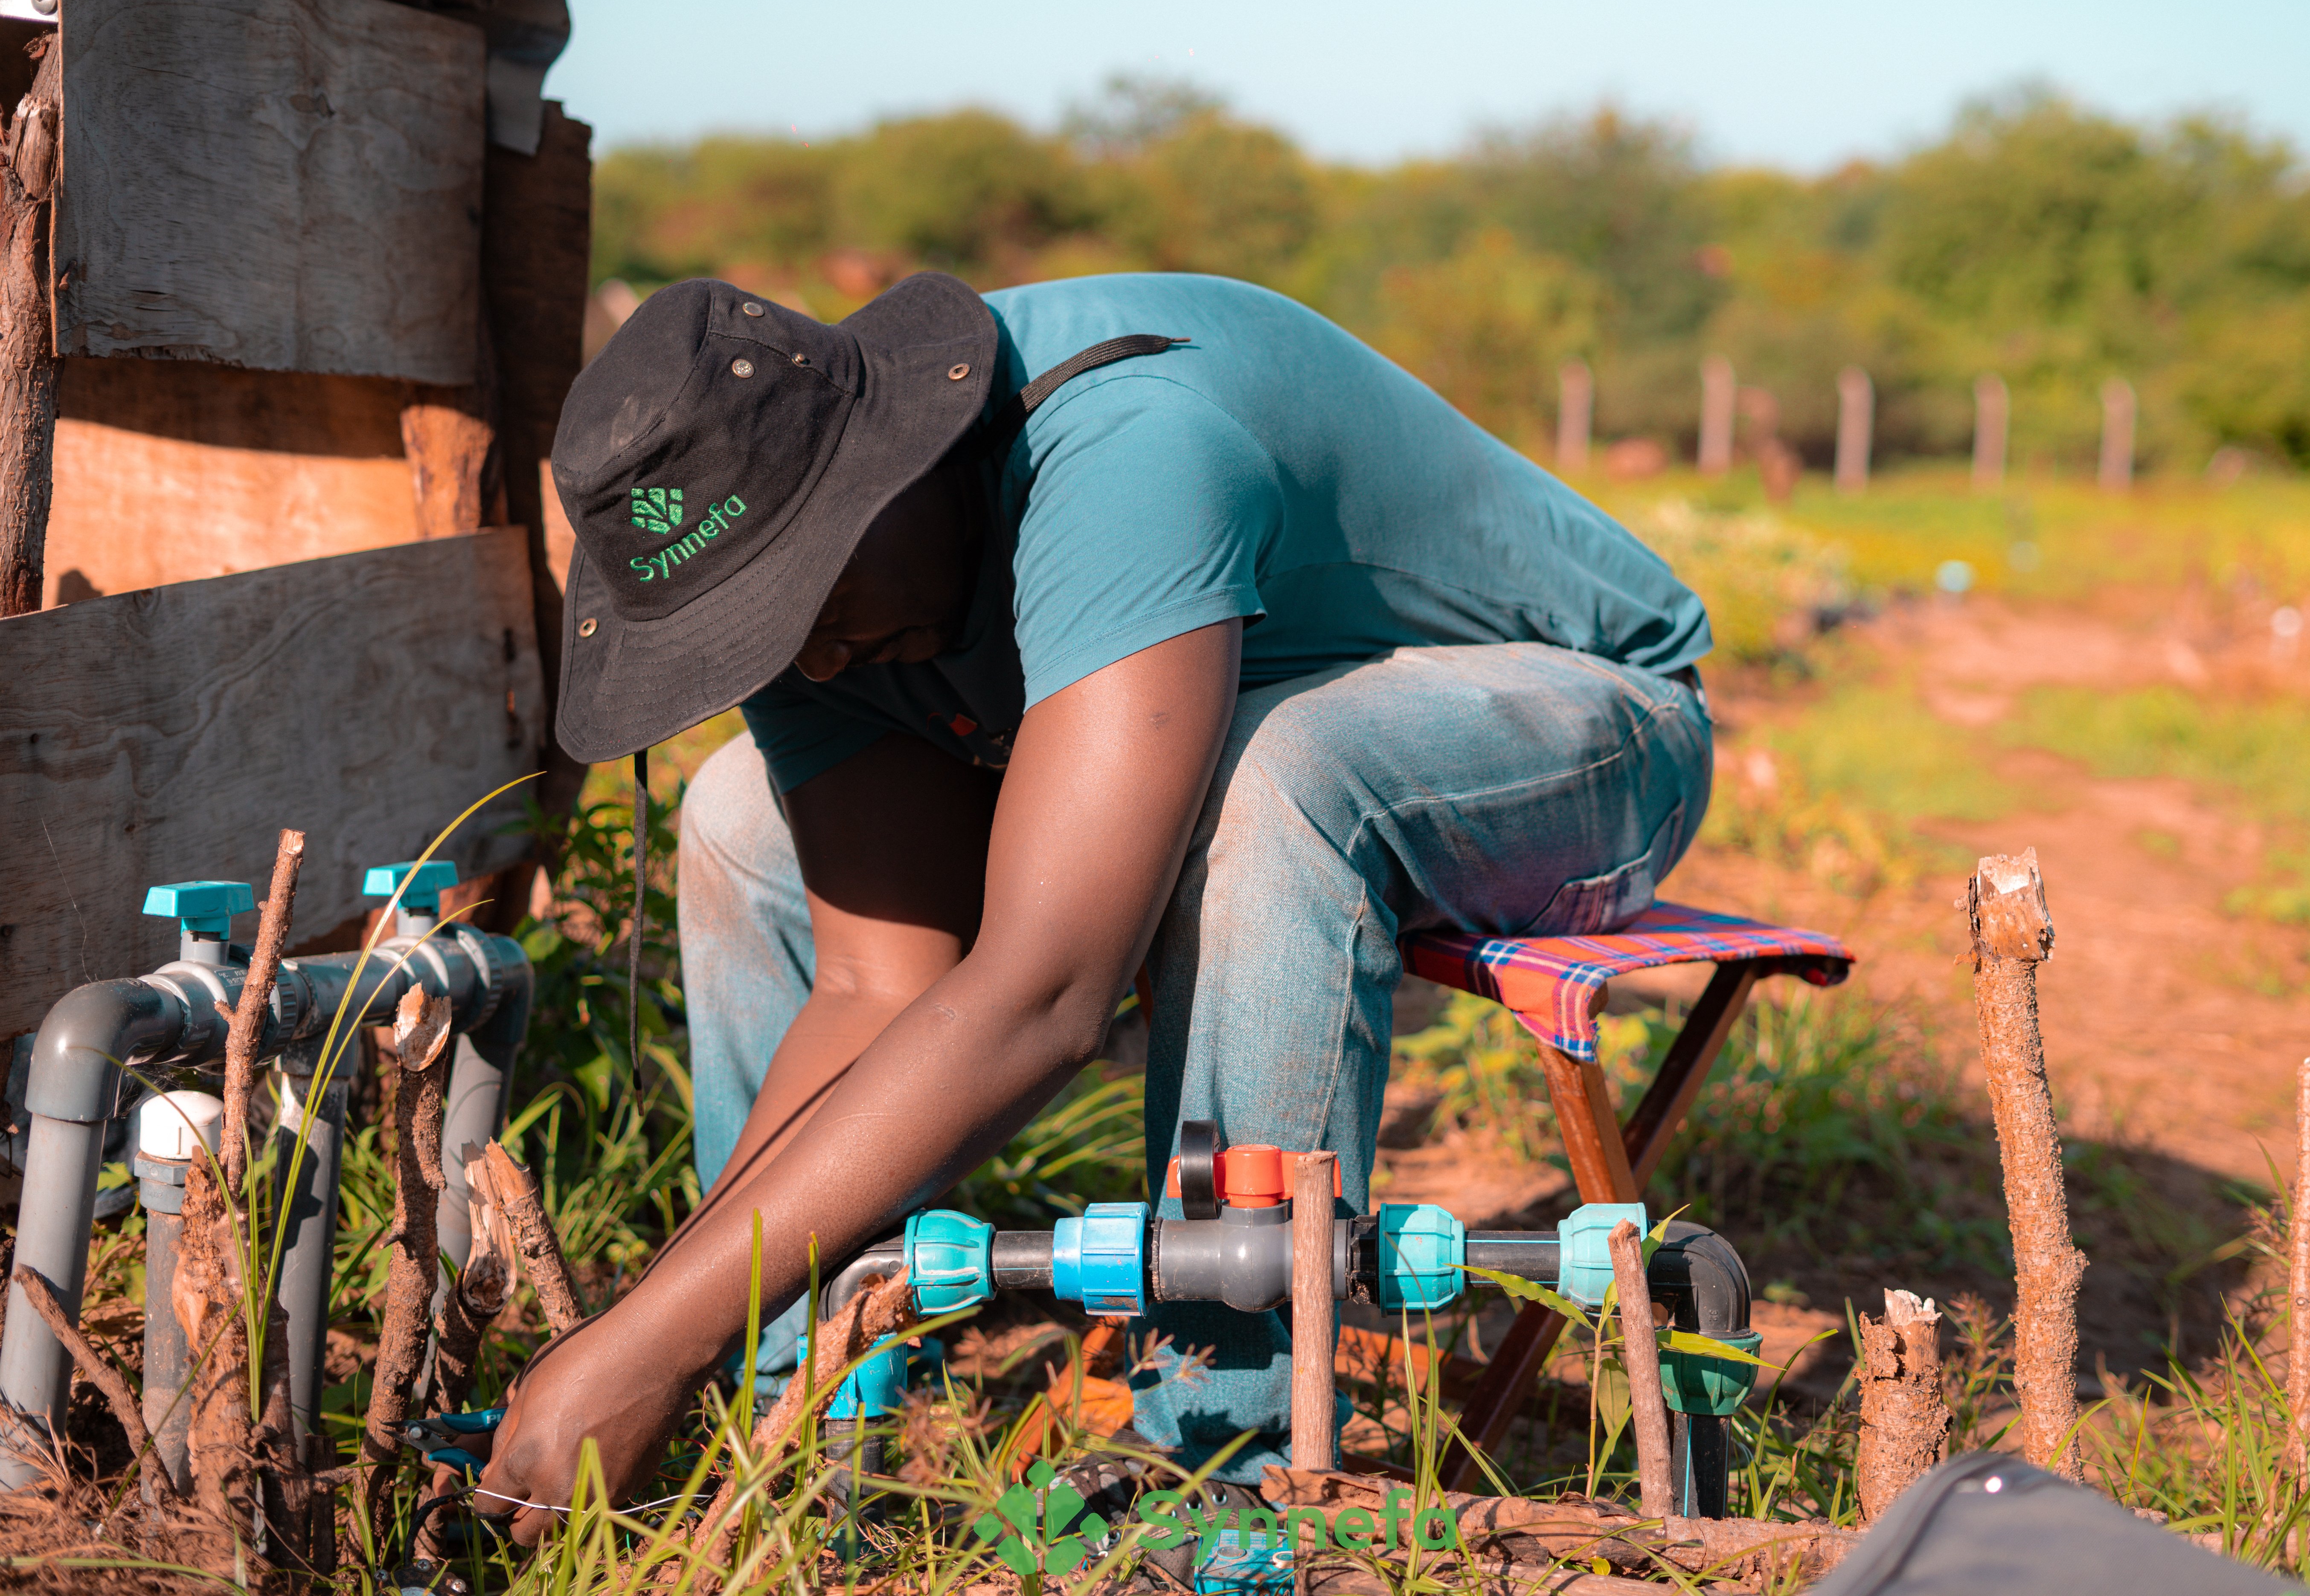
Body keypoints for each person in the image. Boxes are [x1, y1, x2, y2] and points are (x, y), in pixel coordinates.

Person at [476, 270, 1712, 1537]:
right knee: (742, 814)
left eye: (802, 609)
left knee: (1272, 781)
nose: (813, 660)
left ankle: (1227, 1465)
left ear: (890, 479)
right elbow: (873, 987)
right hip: (1217, 713)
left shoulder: (1126, 444)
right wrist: (661, 1342)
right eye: (749, 634)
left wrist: (640, 1352)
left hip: (1584, 729)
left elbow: (1048, 990)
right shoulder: (811, 573)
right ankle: (787, 1405)